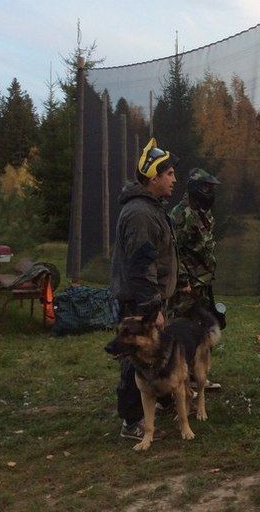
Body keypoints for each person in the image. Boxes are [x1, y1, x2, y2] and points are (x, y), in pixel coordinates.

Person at [110, 138, 180, 441]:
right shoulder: (140, 214)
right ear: (154, 178)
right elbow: (140, 265)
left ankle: (159, 399)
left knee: (153, 354)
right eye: (169, 174)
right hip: (138, 302)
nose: (174, 179)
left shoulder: (152, 208)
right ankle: (132, 420)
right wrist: (151, 307)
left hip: (150, 299)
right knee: (135, 356)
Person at [169, 167, 223, 389]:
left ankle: (198, 376)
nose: (210, 192)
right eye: (206, 188)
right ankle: (178, 378)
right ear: (194, 188)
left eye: (211, 188)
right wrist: (183, 282)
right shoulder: (179, 215)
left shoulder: (204, 213)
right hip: (187, 285)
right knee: (182, 330)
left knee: (201, 331)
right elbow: (174, 253)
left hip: (203, 282)